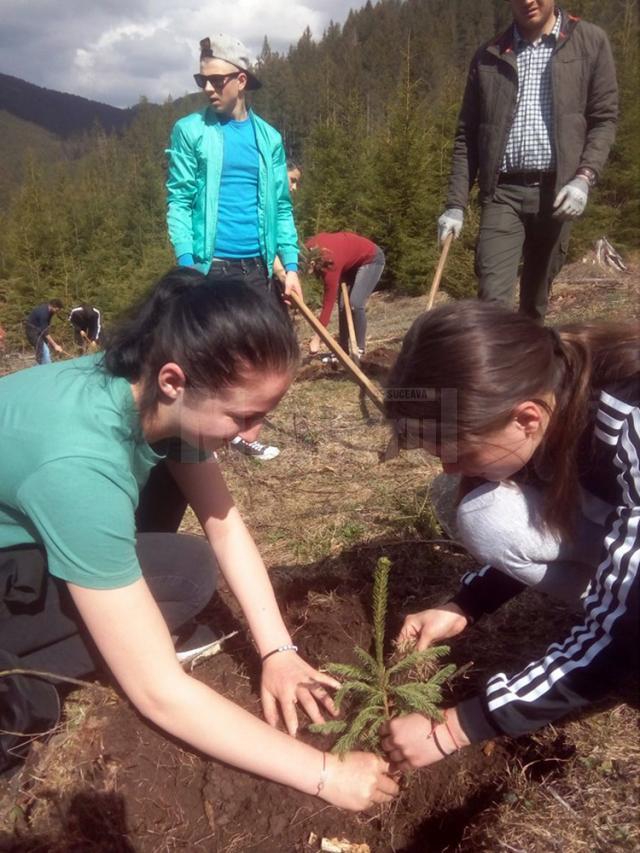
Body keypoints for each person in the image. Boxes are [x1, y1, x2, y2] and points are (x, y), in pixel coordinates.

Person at [0, 268, 399, 808]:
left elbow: (224, 522)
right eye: (244, 416)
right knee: (179, 583)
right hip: (19, 550)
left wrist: (279, 651)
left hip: (36, 516)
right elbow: (158, 694)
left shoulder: (148, 391)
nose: (253, 434)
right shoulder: (80, 468)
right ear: (174, 380)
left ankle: (113, 611)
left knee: (184, 566)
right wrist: (327, 774)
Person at [381, 300, 638, 770]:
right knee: (485, 511)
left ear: (526, 419)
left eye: (459, 450)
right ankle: (606, 600)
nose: (448, 467)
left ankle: (605, 619)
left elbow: (623, 633)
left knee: (625, 636)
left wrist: (453, 729)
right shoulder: (540, 378)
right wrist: (465, 604)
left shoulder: (630, 422)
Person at [166, 33, 303, 461]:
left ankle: (244, 435)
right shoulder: (191, 131)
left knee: (259, 354)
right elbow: (179, 200)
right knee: (205, 355)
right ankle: (196, 444)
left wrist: (291, 264)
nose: (207, 88)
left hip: (259, 266)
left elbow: (281, 205)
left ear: (240, 80)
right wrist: (188, 265)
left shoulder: (269, 139)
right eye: (201, 80)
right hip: (211, 265)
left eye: (216, 80)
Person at [438, 1, 618, 321]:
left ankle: (530, 368)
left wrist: (584, 177)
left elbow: (604, 119)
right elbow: (467, 136)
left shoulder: (589, 41)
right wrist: (455, 204)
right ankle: (500, 369)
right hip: (502, 194)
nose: (528, 1)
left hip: (558, 194)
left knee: (535, 306)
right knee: (492, 305)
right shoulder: (489, 54)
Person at [304, 232, 385, 357]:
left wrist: (317, 339)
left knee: (355, 303)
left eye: (310, 269)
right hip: (350, 263)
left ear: (314, 263)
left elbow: (328, 304)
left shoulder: (330, 265)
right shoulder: (309, 247)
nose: (310, 273)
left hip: (371, 258)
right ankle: (343, 350)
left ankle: (359, 348)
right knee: (342, 305)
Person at [24, 299, 64, 364]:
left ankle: (45, 365)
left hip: (38, 330)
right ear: (53, 306)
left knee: (46, 348)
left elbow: (46, 328)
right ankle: (41, 368)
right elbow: (45, 332)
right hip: (32, 331)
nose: (58, 311)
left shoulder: (50, 311)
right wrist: (55, 345)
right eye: (57, 309)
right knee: (42, 349)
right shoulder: (43, 313)